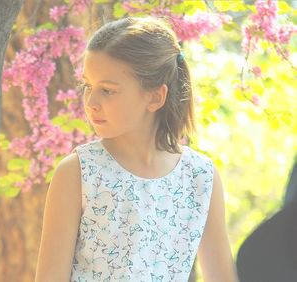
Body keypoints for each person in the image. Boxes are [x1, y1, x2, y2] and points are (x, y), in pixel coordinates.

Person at [35, 16, 239, 281]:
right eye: (87, 86)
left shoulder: (200, 177)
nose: (91, 102)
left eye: (107, 91)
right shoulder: (78, 173)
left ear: (155, 96)